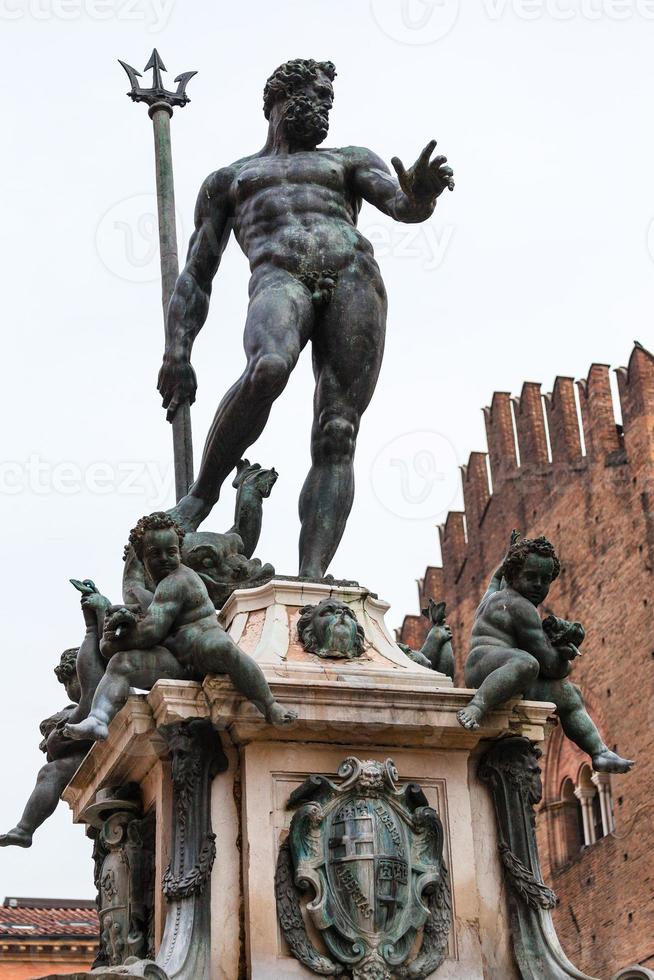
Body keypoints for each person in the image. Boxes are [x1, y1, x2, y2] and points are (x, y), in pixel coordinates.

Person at [157, 58, 455, 578]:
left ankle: (312, 578)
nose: (325, 108)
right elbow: (196, 274)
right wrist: (177, 353)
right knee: (268, 367)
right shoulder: (231, 180)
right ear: (280, 99)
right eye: (316, 95)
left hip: (354, 279)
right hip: (278, 278)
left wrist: (422, 195)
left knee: (337, 429)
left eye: (330, 101)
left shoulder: (348, 161)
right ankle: (201, 496)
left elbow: (402, 205)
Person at [65, 513, 297, 742]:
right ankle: (98, 718)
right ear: (143, 557)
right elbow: (133, 589)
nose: (165, 558)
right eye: (155, 553)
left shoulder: (178, 580)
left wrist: (113, 641)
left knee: (220, 647)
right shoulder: (157, 588)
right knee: (121, 664)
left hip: (202, 648)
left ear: (180, 550)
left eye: (172, 551)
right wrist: (107, 612)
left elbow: (151, 631)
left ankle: (269, 704)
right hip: (176, 661)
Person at [457, 534, 633, 774]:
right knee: (528, 663)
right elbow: (548, 665)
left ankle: (599, 752)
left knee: (569, 695)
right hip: (485, 668)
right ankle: (477, 706)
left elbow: (495, 579)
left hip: (507, 674)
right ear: (513, 576)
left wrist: (509, 556)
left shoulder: (492, 595)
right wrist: (565, 658)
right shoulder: (520, 606)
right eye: (531, 577)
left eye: (545, 579)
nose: (539, 585)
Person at [0, 649, 89, 847]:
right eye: (65, 684)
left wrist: (56, 737)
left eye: (69, 680)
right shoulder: (76, 707)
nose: (68, 688)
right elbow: (53, 747)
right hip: (97, 752)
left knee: (51, 771)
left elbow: (78, 723)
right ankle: (24, 829)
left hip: (122, 745)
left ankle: (24, 829)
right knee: (52, 772)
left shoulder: (106, 689)